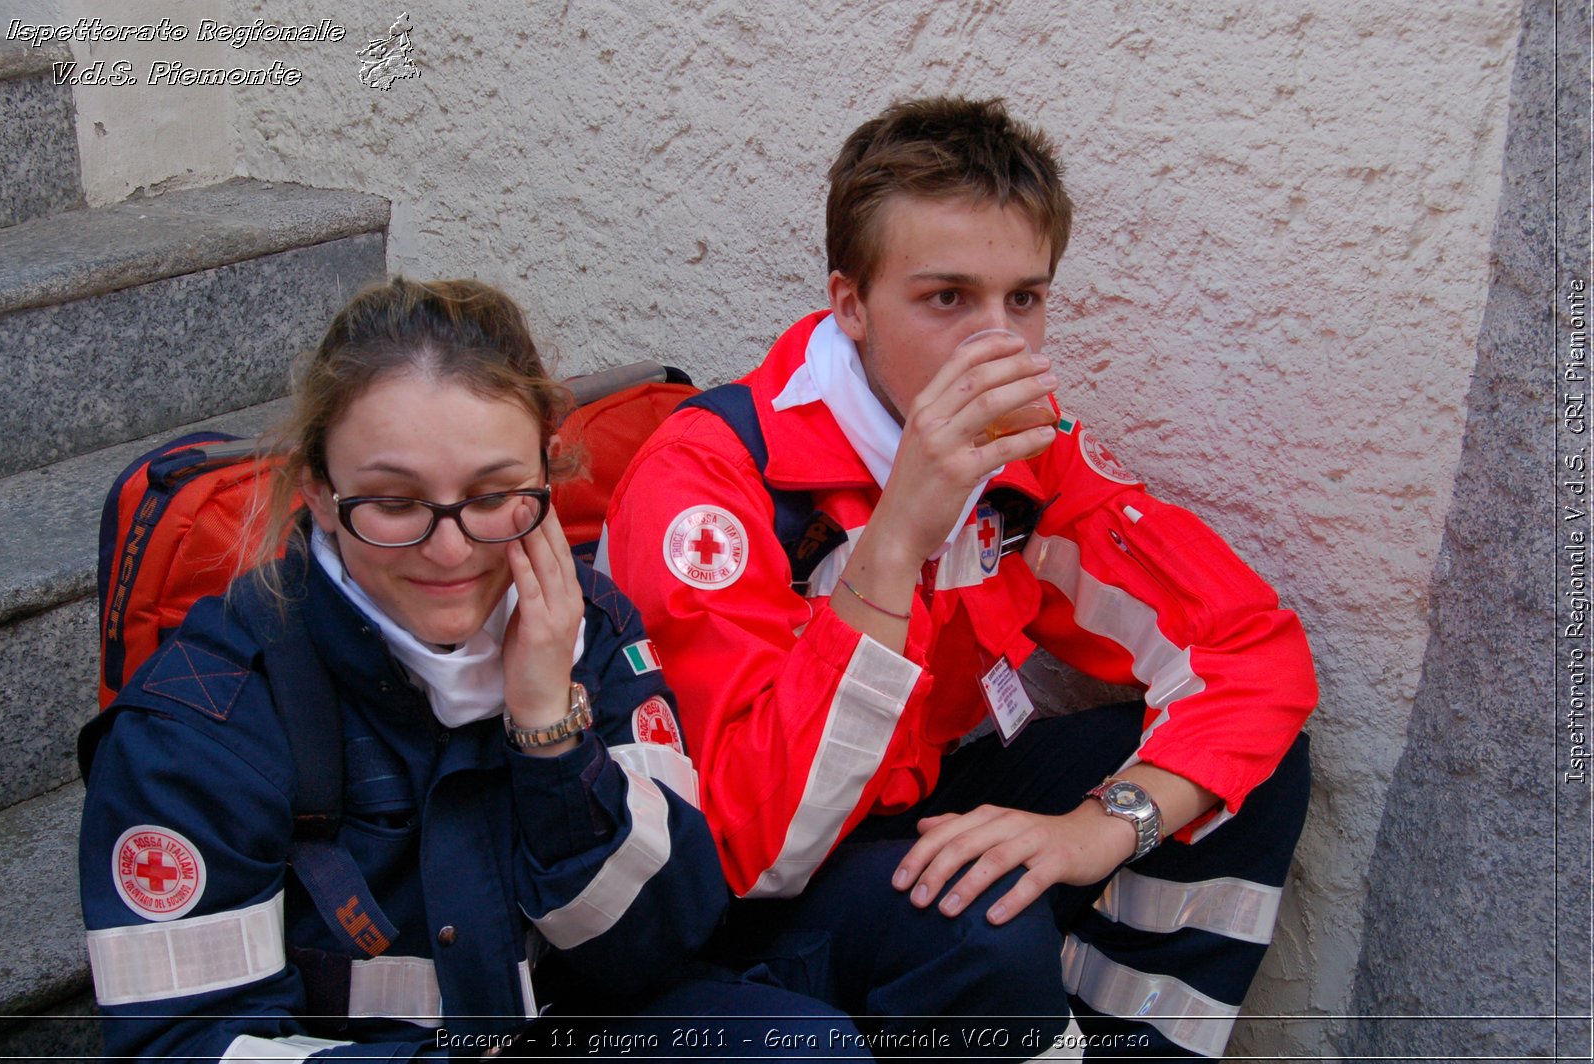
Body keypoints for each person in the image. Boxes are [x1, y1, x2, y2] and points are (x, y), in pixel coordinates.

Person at [600, 97, 1315, 1059]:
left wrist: (1102, 828)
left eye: (1023, 298)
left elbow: (1244, 646)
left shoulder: (1020, 448)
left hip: (909, 795)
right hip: (735, 889)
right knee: (984, 924)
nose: (999, 346)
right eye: (948, 299)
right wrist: (899, 534)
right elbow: (748, 844)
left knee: (1243, 771)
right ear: (850, 303)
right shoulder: (711, 476)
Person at [77, 278, 866, 1061]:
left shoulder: (591, 628)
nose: (450, 550)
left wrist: (549, 731)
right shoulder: (202, 727)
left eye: (493, 495)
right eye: (392, 503)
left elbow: (662, 943)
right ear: (319, 492)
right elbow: (180, 1043)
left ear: (548, 476)